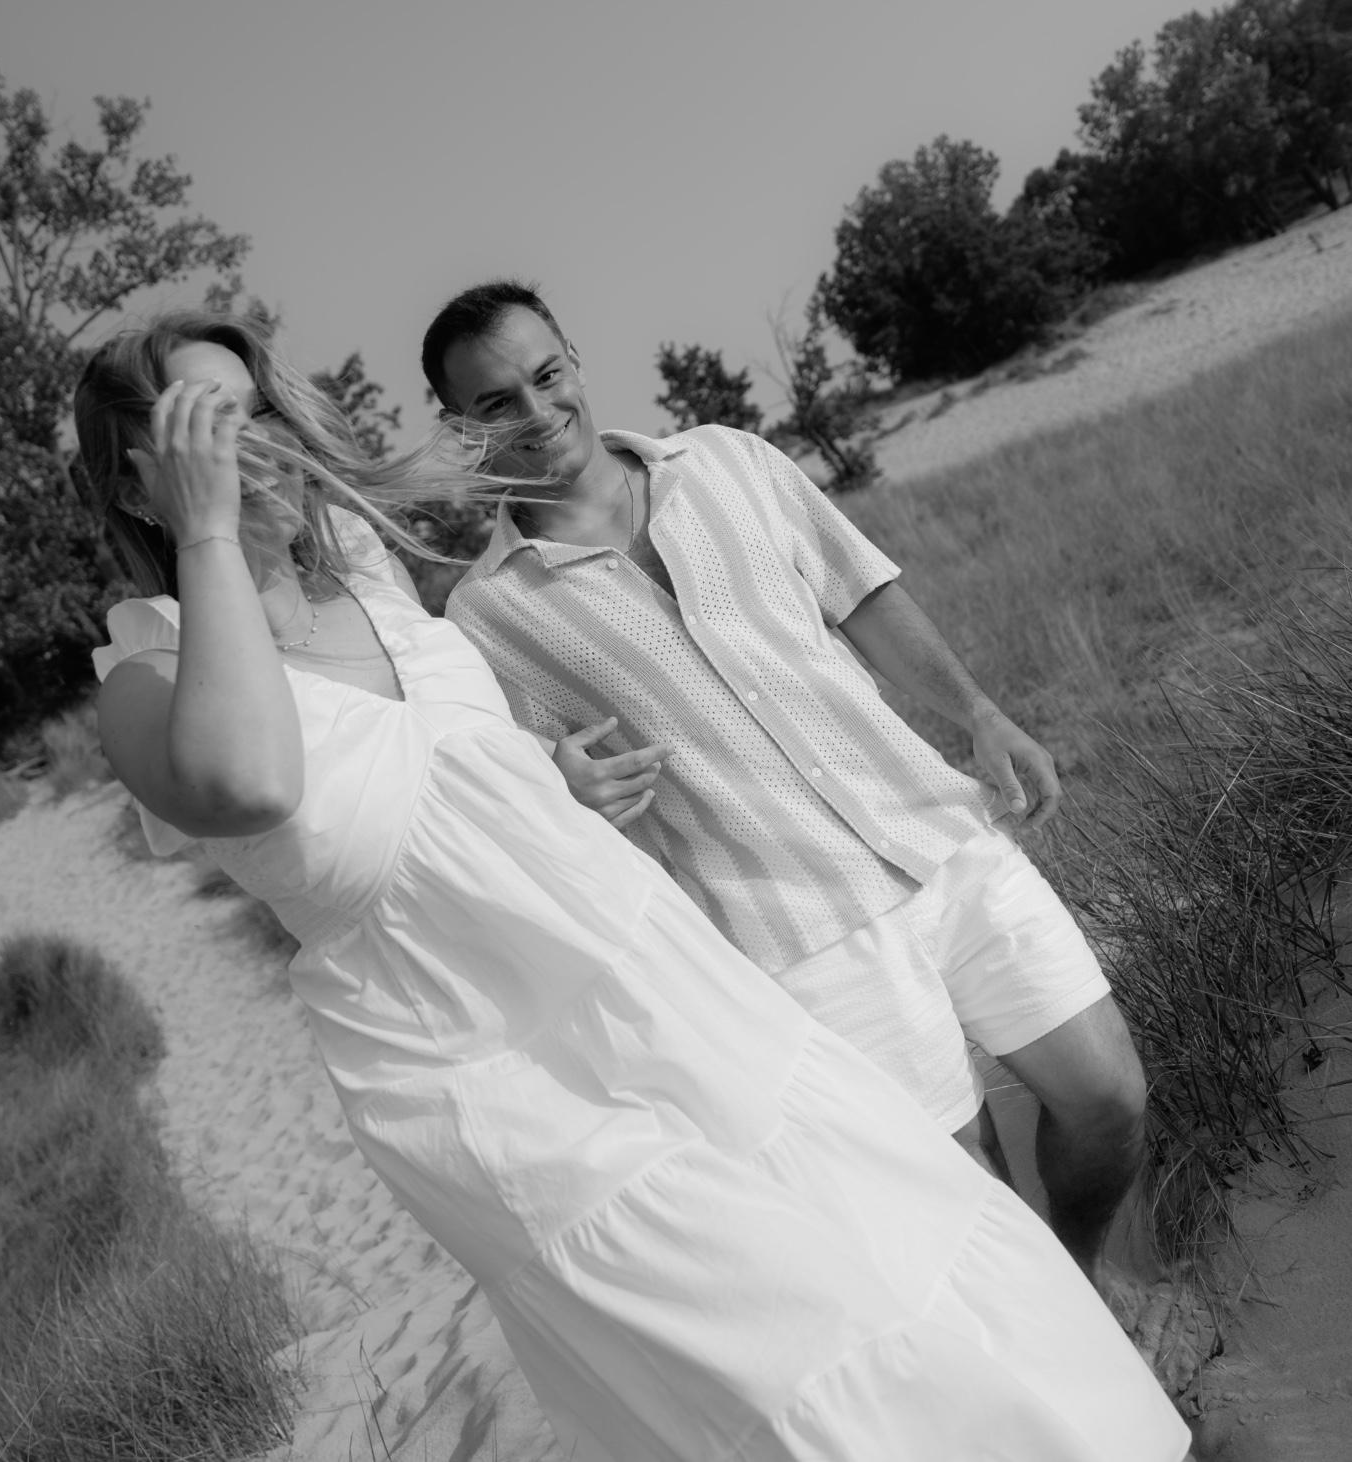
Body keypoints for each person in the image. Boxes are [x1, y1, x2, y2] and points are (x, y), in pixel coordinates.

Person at [74, 309, 1191, 1462]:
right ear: (138, 482)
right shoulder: (145, 679)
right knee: (786, 1357)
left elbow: (451, 778)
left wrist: (547, 780)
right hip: (491, 1074)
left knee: (907, 1253)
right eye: (197, 424)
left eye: (252, 410)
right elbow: (252, 781)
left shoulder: (369, 573)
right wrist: (209, 533)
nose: (242, 443)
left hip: (666, 986)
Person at [430, 280, 1148, 1290]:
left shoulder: (729, 461)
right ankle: (1070, 1351)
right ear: (460, 426)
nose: (538, 411)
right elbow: (527, 807)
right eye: (497, 403)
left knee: (1109, 1097)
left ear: (575, 361)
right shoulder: (485, 616)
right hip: (793, 935)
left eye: (547, 376)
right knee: (965, 1192)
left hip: (936, 836)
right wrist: (569, 793)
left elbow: (861, 592)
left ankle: (1081, 1280)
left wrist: (981, 714)